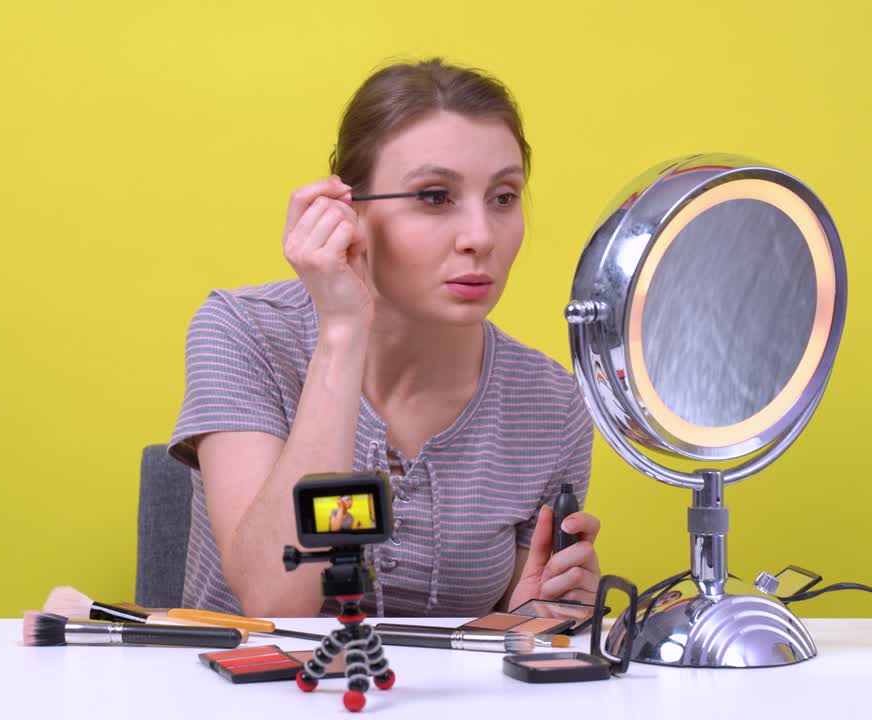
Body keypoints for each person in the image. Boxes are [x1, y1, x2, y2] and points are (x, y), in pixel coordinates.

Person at [168, 58, 601, 618]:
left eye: (503, 197)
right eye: (434, 196)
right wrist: (343, 332)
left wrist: (536, 613)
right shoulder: (244, 333)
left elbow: (503, 625)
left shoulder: (551, 402)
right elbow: (278, 601)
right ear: (347, 211)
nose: (480, 237)